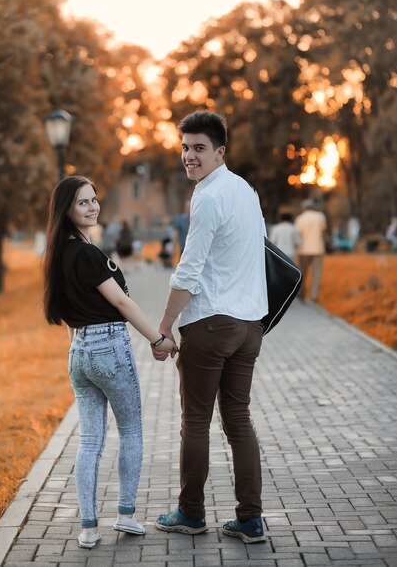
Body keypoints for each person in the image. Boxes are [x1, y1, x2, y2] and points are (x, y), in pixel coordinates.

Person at [151, 111, 268, 544]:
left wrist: (164, 328)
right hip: (249, 325)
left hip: (211, 325)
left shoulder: (208, 196)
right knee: (238, 419)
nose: (189, 156)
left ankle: (191, 512)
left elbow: (188, 271)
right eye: (184, 147)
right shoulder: (246, 191)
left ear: (220, 152)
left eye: (199, 148)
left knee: (196, 421)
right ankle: (250, 520)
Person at [43, 176, 176, 550]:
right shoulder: (87, 254)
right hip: (109, 347)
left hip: (79, 351)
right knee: (131, 429)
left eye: (94, 199)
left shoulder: (59, 254)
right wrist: (159, 338)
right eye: (83, 202)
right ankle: (126, 515)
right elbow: (122, 303)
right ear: (67, 209)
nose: (93, 206)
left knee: (90, 439)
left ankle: (88, 527)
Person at [295, 199, 327, 301]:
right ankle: (314, 295)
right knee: (316, 273)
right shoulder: (320, 216)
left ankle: (301, 293)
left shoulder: (300, 218)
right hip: (318, 248)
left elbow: (297, 234)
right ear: (313, 207)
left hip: (303, 250)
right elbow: (323, 231)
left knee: (303, 273)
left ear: (304, 208)